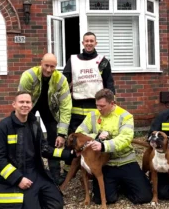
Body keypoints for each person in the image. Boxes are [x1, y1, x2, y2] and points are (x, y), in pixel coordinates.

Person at [0, 91, 76, 209]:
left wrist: (71, 154)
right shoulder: (3, 128)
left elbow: (45, 149)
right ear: (14, 104)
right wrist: (18, 179)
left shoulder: (34, 125)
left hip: (36, 173)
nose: (25, 105)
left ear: (31, 105)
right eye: (21, 102)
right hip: (19, 175)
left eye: (28, 102)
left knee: (57, 204)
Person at [76, 88, 153, 205]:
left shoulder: (125, 116)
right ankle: (116, 186)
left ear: (112, 103)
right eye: (97, 105)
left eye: (102, 106)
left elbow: (125, 139)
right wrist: (96, 135)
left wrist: (104, 145)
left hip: (125, 160)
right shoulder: (92, 115)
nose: (99, 109)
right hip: (106, 164)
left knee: (144, 197)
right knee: (104, 199)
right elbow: (79, 134)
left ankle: (123, 185)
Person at [63, 31, 115, 174]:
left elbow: (109, 82)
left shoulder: (103, 61)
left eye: (92, 41)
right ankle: (70, 166)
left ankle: (94, 163)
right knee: (73, 136)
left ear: (95, 43)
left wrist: (111, 100)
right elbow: (64, 79)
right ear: (82, 43)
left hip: (96, 105)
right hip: (77, 105)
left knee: (95, 135)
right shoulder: (73, 60)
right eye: (86, 41)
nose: (89, 43)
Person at [18, 53, 72, 185]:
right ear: (41, 63)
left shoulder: (61, 79)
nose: (48, 69)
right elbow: (20, 100)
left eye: (52, 67)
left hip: (50, 109)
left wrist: (62, 134)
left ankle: (55, 174)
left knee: (55, 140)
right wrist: (21, 120)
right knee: (29, 137)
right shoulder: (28, 76)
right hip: (30, 106)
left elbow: (66, 106)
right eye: (46, 66)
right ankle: (29, 171)